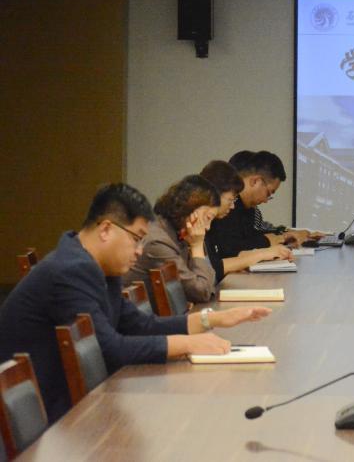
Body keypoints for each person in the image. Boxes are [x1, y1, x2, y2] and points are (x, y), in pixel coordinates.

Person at [0, 184, 271, 422]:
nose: (140, 251)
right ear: (106, 229)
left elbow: (139, 325)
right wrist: (189, 344)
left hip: (70, 404)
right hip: (46, 417)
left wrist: (210, 319)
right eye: (136, 239)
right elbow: (109, 348)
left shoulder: (97, 265)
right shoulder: (70, 270)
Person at [205, 150, 304, 281]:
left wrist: (272, 245)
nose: (233, 205)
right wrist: (263, 250)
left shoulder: (246, 208)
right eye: (269, 193)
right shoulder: (222, 213)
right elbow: (226, 254)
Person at [123, 175, 221, 304]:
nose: (208, 227)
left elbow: (210, 282)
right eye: (208, 218)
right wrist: (197, 246)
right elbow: (201, 291)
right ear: (190, 207)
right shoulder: (158, 241)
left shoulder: (178, 234)